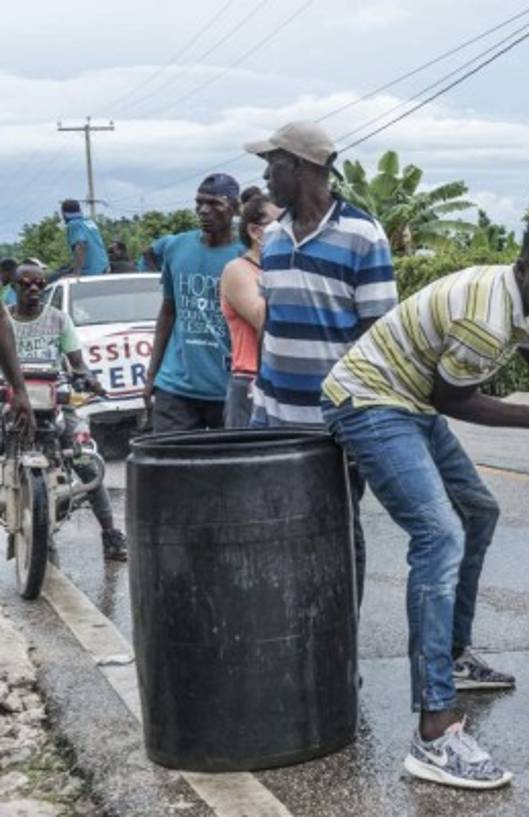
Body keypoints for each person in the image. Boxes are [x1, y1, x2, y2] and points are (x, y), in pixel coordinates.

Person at [321, 214, 529, 790]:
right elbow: (455, 400)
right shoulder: (485, 317)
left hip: (409, 401)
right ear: (523, 270)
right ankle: (434, 731)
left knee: (479, 511)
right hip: (370, 400)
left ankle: (454, 654)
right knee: (439, 535)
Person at [244, 121, 398, 603]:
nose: (267, 178)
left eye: (273, 165)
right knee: (277, 533)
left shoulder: (362, 235)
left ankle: (340, 650)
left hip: (334, 426)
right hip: (274, 419)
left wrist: (359, 423)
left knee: (338, 533)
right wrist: (260, 406)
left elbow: (381, 340)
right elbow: (274, 323)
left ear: (301, 168)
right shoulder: (273, 237)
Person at [9, 261, 126, 560]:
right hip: (11, 402)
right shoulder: (4, 321)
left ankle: (111, 534)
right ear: (13, 286)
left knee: (86, 465)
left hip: (53, 403)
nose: (34, 288)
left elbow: (77, 363)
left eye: (39, 283)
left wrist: (87, 378)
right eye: (26, 283)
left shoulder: (59, 320)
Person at [142, 174, 244, 432]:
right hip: (176, 386)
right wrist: (152, 375)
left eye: (214, 204)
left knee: (232, 468)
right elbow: (168, 312)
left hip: (229, 388)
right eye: (199, 203)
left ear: (234, 208)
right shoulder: (177, 247)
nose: (203, 210)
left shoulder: (247, 254)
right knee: (170, 466)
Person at [219, 192, 283, 428]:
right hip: (249, 380)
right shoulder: (238, 270)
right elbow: (263, 319)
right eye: (279, 223)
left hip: (283, 377)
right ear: (256, 232)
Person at [60, 200, 109, 277]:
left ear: (64, 213)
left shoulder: (74, 224)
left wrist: (76, 272)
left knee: (53, 277)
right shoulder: (89, 222)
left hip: (90, 271)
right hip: (104, 267)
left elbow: (80, 246)